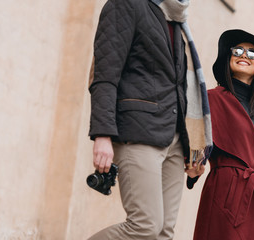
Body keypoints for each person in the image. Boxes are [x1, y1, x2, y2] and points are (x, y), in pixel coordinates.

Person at [87, 0, 211, 239]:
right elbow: (105, 75)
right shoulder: (125, 5)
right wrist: (102, 134)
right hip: (138, 133)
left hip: (174, 141)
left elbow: (180, 88)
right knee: (144, 227)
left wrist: (191, 147)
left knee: (164, 233)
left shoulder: (178, 19)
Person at [192, 29, 254, 240]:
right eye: (238, 50)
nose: (244, 55)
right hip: (224, 195)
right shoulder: (211, 99)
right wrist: (194, 165)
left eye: (252, 53)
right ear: (228, 58)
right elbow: (194, 145)